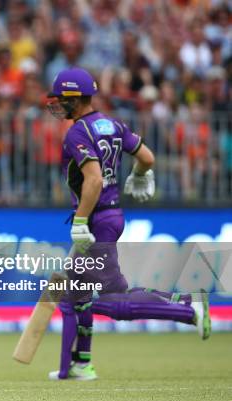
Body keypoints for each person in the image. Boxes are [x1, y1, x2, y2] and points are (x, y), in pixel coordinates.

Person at [45, 67, 211, 381]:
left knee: (107, 299)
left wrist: (81, 222)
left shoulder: (78, 132)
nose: (56, 104)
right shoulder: (114, 124)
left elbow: (92, 180)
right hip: (111, 215)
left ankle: (188, 310)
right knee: (78, 295)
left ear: (75, 98)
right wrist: (137, 175)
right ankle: (78, 366)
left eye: (60, 99)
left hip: (96, 219)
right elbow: (146, 157)